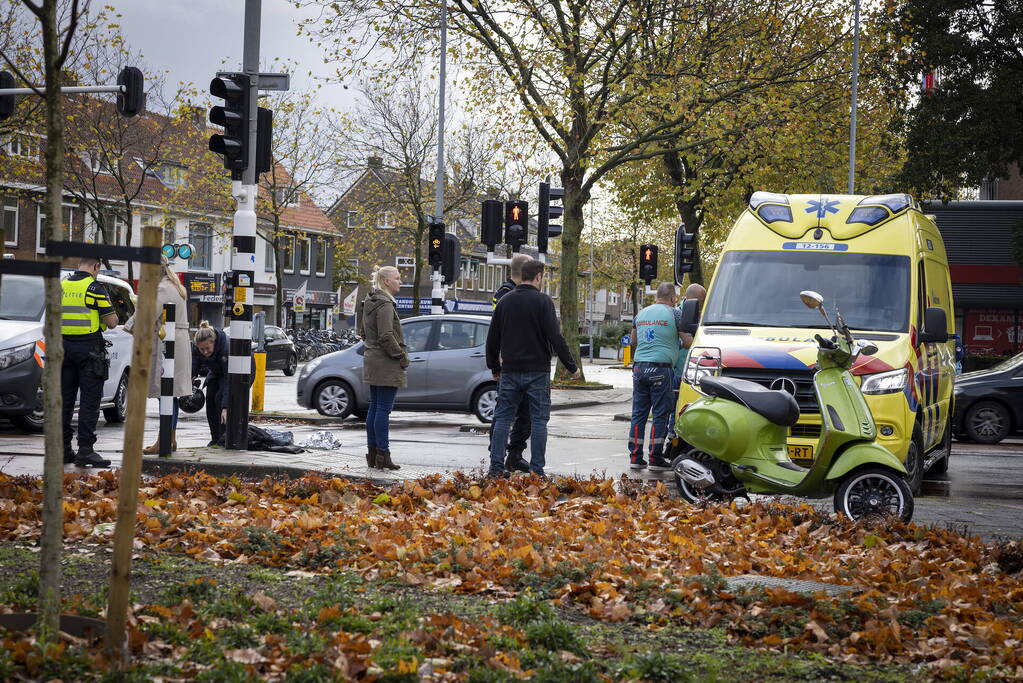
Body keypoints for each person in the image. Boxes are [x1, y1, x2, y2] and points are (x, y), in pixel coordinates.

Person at [486, 259, 581, 478]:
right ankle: (537, 471)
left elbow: (492, 338)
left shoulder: (505, 302)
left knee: (502, 419)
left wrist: (494, 366)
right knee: (539, 421)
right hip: (537, 371)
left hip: (509, 370)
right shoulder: (543, 302)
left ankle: (496, 469)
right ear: (538, 277)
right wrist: (571, 367)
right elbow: (555, 337)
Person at [126, 258, 193, 454]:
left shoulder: (162, 289)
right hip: (176, 342)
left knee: (166, 394)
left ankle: (163, 441)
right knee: (170, 395)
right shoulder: (175, 286)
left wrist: (130, 326)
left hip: (168, 345)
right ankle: (169, 438)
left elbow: (147, 314)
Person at [61, 256, 119, 468]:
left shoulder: (62, 285)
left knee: (65, 402)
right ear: (96, 266)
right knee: (89, 401)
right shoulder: (95, 288)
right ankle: (85, 450)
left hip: (63, 348)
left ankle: (63, 449)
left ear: (78, 265)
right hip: (89, 350)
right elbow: (112, 322)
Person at [628, 282, 686, 471]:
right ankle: (655, 457)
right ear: (672, 298)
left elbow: (633, 340)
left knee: (639, 413)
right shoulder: (675, 313)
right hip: (661, 369)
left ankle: (635, 456)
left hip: (639, 368)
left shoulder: (641, 314)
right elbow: (687, 340)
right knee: (661, 413)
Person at [356, 265, 407, 470]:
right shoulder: (385, 305)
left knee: (375, 408)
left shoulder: (369, 301)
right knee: (383, 410)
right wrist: (401, 356)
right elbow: (386, 335)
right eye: (397, 278)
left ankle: (373, 454)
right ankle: (383, 456)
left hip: (372, 359)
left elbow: (363, 333)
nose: (400, 281)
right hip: (386, 362)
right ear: (386, 281)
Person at [489, 253, 534, 473]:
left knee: (525, 414)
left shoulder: (518, 293)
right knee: (504, 413)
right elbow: (499, 329)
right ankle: (496, 456)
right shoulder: (505, 294)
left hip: (523, 361)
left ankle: (515, 454)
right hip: (509, 362)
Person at [191, 321, 231, 447]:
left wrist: (226, 407)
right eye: (201, 349)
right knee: (210, 398)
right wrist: (191, 378)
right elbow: (195, 364)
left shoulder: (225, 348)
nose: (205, 352)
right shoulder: (197, 348)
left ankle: (224, 439)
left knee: (220, 399)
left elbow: (228, 380)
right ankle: (215, 438)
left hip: (237, 372)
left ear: (214, 342)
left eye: (207, 348)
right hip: (216, 370)